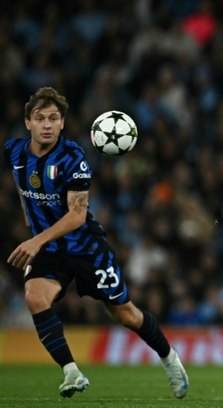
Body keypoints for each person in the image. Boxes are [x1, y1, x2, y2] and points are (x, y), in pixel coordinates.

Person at [3, 87, 189, 399]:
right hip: (49, 250)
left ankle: (169, 357)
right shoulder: (14, 152)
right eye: (40, 118)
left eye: (53, 118)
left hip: (86, 248)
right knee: (35, 297)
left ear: (62, 123)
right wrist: (30, 222)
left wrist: (35, 239)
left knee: (125, 314)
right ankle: (71, 373)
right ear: (27, 123)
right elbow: (24, 190)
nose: (46, 124)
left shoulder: (73, 158)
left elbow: (76, 217)